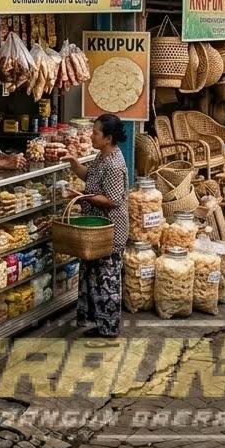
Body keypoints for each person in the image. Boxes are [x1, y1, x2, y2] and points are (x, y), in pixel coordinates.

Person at [65, 114, 129, 344]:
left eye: (96, 133)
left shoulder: (113, 164)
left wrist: (83, 196)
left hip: (110, 231)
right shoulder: (103, 156)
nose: (91, 135)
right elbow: (90, 177)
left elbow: (111, 200)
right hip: (96, 229)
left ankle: (110, 331)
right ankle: (100, 326)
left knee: (107, 279)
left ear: (108, 138)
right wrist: (74, 164)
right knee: (94, 276)